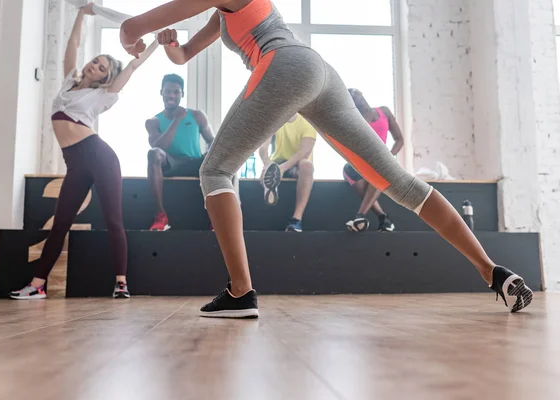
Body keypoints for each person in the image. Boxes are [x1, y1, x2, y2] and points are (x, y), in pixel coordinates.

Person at [119, 0, 532, 317]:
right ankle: (492, 271)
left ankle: (241, 292)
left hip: (285, 66)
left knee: (216, 169)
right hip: (319, 74)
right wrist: (170, 45)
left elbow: (128, 28)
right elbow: (184, 54)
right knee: (400, 183)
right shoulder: (220, 13)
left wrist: (134, 39)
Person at [10, 3, 159, 300]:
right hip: (76, 165)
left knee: (113, 220)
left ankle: (120, 283)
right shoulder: (69, 82)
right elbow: (73, 44)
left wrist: (156, 41)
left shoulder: (103, 96)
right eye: (95, 62)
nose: (95, 66)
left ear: (106, 78)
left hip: (100, 158)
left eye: (102, 67)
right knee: (60, 223)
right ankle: (37, 285)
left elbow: (132, 66)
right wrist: (82, 13)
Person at [146, 74, 214, 231]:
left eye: (176, 92)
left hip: (195, 162)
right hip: (171, 163)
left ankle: (216, 217)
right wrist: (177, 120)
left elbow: (212, 141)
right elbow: (160, 146)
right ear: (161, 92)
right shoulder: (153, 122)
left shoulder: (197, 116)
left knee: (223, 157)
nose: (171, 95)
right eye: (168, 91)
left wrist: (208, 156)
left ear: (182, 94)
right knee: (153, 153)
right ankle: (160, 215)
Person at [344, 89, 402, 232]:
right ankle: (383, 219)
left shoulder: (384, 112)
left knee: (379, 168)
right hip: (364, 162)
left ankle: (360, 216)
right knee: (348, 169)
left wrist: (389, 156)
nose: (356, 95)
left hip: (383, 162)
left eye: (356, 92)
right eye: (351, 96)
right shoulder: (355, 121)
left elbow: (399, 140)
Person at [259, 113, 316, 232]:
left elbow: (304, 152)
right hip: (278, 162)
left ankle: (296, 219)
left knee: (307, 165)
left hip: (297, 164)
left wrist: (282, 168)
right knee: (268, 169)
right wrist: (267, 163)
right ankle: (270, 188)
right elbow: (263, 147)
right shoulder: (275, 119)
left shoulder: (308, 122)